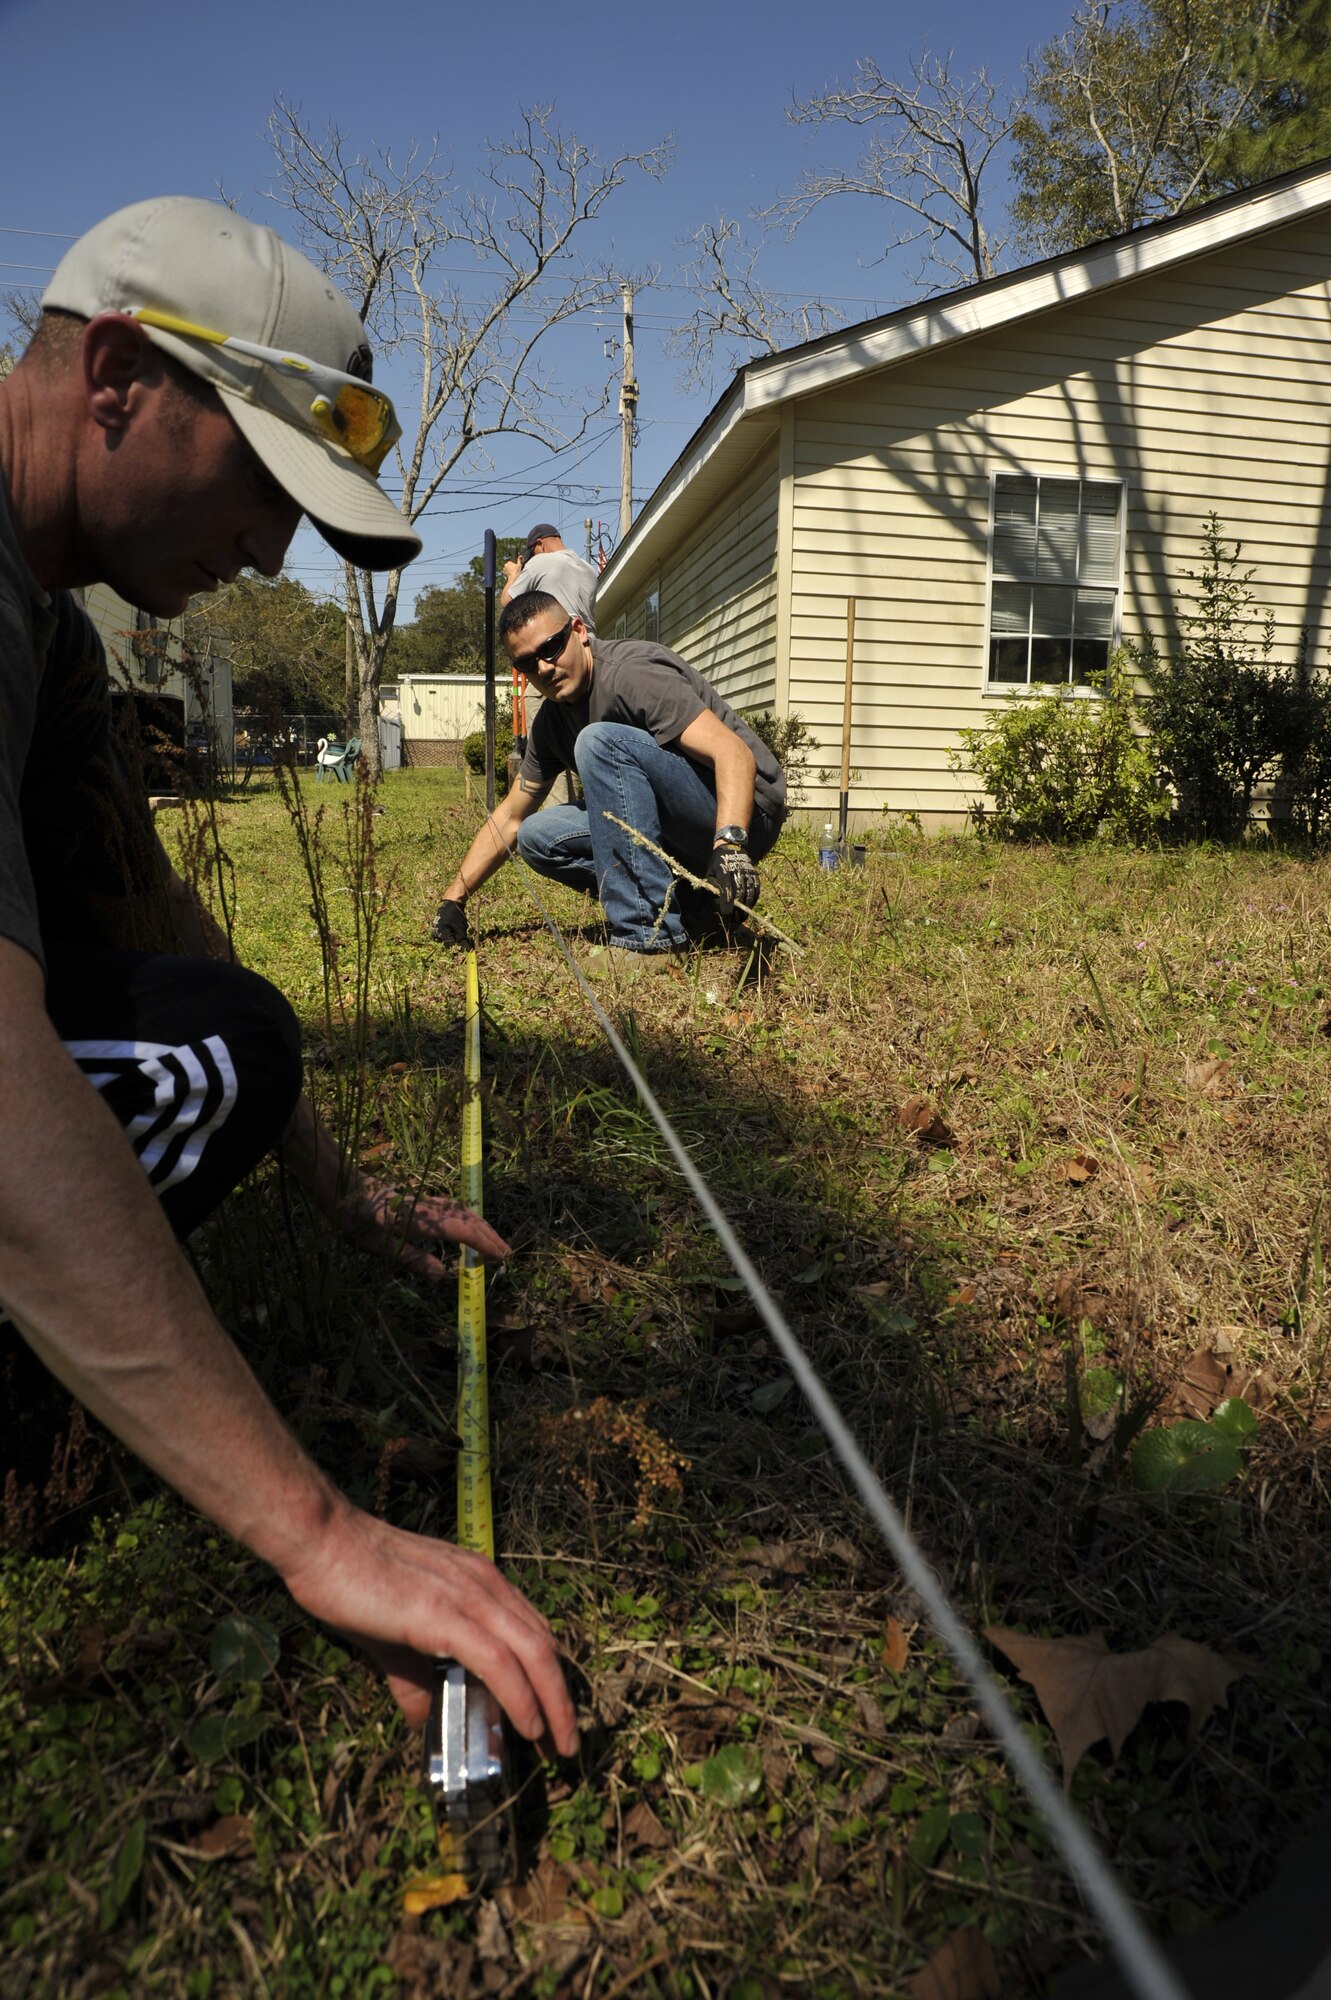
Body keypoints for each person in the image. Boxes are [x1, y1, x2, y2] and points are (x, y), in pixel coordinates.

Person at [0, 196, 577, 1759]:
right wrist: (317, 1533)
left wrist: (340, 1193)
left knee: (222, 1032)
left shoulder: (48, 629)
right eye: (261, 480)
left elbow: (152, 913)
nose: (269, 546)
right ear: (114, 372)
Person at [430, 592, 786, 965]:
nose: (544, 668)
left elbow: (734, 753)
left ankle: (648, 938)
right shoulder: (552, 721)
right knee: (536, 837)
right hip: (678, 826)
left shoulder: (630, 674)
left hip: (745, 813)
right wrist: (454, 898)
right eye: (527, 663)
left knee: (599, 741)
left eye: (551, 647)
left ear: (579, 631)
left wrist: (729, 845)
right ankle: (696, 907)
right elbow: (511, 817)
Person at [502, 522, 599, 633]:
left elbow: (507, 603)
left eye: (533, 554)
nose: (533, 557)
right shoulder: (588, 568)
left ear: (540, 544)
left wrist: (513, 575)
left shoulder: (539, 561)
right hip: (589, 641)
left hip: (563, 640)